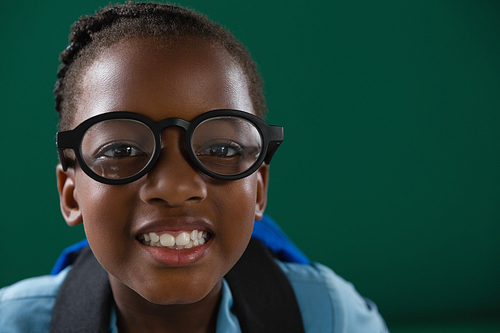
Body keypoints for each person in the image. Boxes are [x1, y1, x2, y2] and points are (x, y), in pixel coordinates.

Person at [0, 2, 389, 332]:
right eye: (120, 151)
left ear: (259, 188)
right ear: (71, 196)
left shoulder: (329, 317)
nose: (175, 185)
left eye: (221, 147)